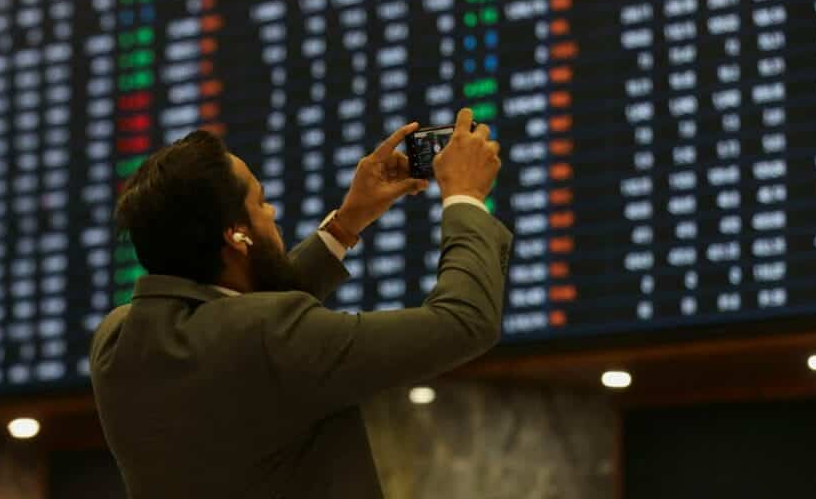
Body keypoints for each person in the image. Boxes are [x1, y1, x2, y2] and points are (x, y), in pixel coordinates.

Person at [89, 109, 511, 498]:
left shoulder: (116, 342)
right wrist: (465, 198)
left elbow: (234, 321)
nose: (270, 213)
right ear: (237, 236)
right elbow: (464, 320)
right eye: (260, 201)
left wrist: (348, 222)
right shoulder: (269, 339)